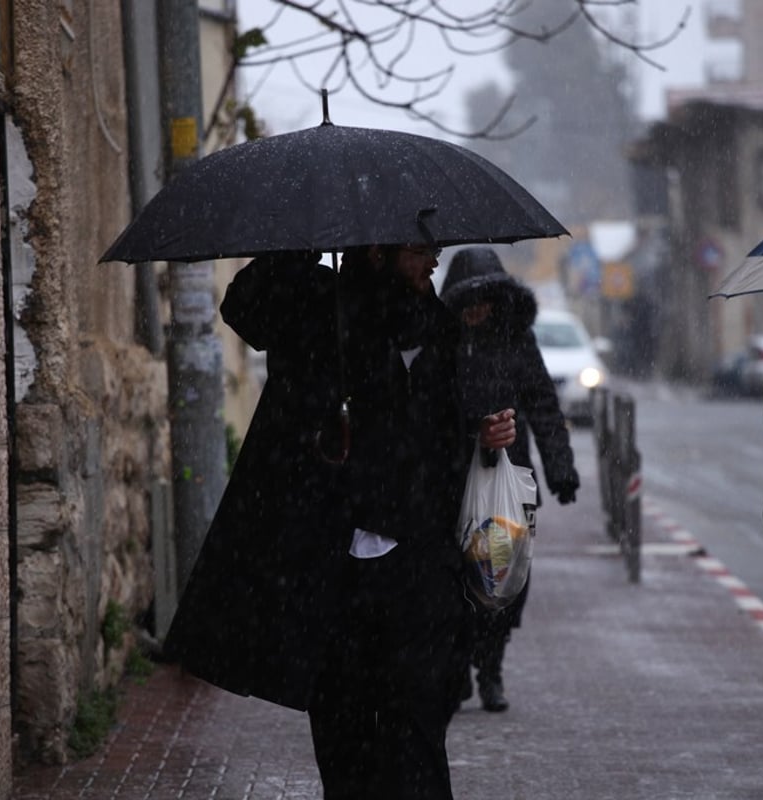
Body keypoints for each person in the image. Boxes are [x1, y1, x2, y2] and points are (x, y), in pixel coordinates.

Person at [163, 243, 516, 800]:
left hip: (418, 566)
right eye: (420, 245)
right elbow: (243, 306)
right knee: (344, 730)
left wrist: (484, 437)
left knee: (418, 730)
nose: (434, 254)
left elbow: (448, 426)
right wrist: (300, 246)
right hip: (328, 563)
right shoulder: (314, 305)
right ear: (379, 248)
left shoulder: (435, 326)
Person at [438, 246, 580, 713]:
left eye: (486, 298)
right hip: (452, 482)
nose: (477, 308)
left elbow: (543, 404)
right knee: (456, 584)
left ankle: (491, 670)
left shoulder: (517, 340)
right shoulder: (440, 341)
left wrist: (561, 470)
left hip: (510, 482)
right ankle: (458, 668)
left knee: (503, 585)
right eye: (468, 300)